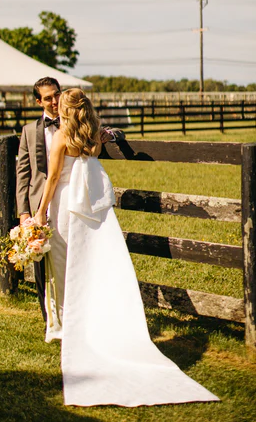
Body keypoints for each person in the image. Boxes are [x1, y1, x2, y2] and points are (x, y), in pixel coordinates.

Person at [31, 88, 219, 407]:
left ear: (64, 110)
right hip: (92, 207)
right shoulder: (92, 138)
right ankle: (84, 322)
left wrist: (39, 211)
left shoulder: (62, 137)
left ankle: (69, 326)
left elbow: (50, 180)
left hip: (66, 206)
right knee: (92, 265)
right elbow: (91, 153)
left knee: (67, 267)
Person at [16, 77, 123, 321]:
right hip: (42, 202)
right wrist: (26, 211)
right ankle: (51, 317)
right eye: (48, 98)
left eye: (57, 94)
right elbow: (23, 173)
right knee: (45, 264)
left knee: (71, 257)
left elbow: (106, 138)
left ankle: (75, 315)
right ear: (38, 102)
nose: (54, 101)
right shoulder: (29, 131)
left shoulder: (82, 129)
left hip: (73, 201)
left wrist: (108, 135)